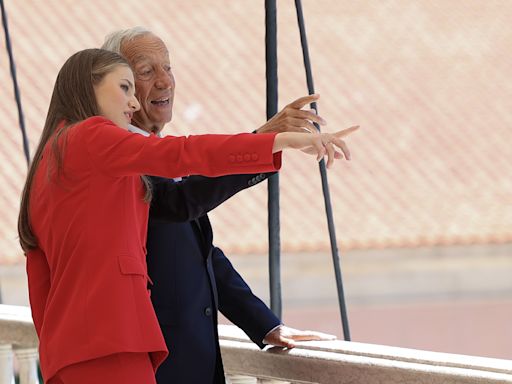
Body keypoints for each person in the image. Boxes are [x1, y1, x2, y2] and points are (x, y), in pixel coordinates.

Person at [18, 48, 355, 383]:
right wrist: (277, 141)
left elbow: (40, 271)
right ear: (87, 86)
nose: (134, 103)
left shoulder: (52, 157)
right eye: (125, 87)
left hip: (72, 350)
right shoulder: (91, 136)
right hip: (109, 343)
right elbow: (182, 154)